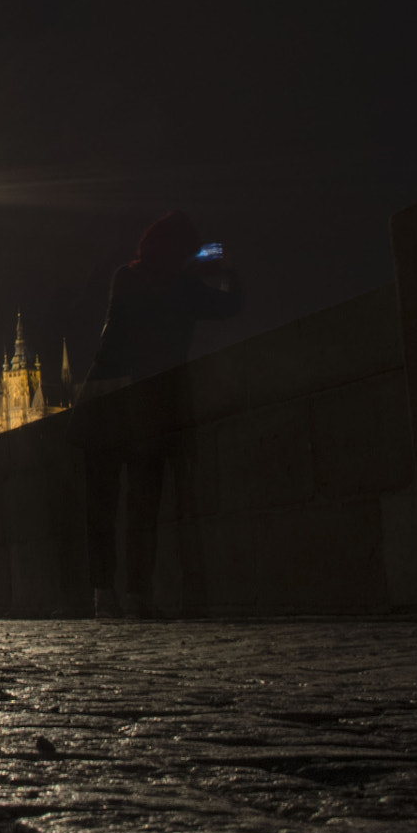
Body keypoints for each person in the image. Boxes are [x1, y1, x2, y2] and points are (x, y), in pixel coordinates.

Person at [80, 211, 242, 618]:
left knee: (101, 504)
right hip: (149, 401)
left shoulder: (125, 277)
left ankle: (103, 593)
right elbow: (231, 306)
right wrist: (226, 271)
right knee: (142, 505)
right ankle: (137, 594)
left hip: (104, 400)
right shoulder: (185, 288)